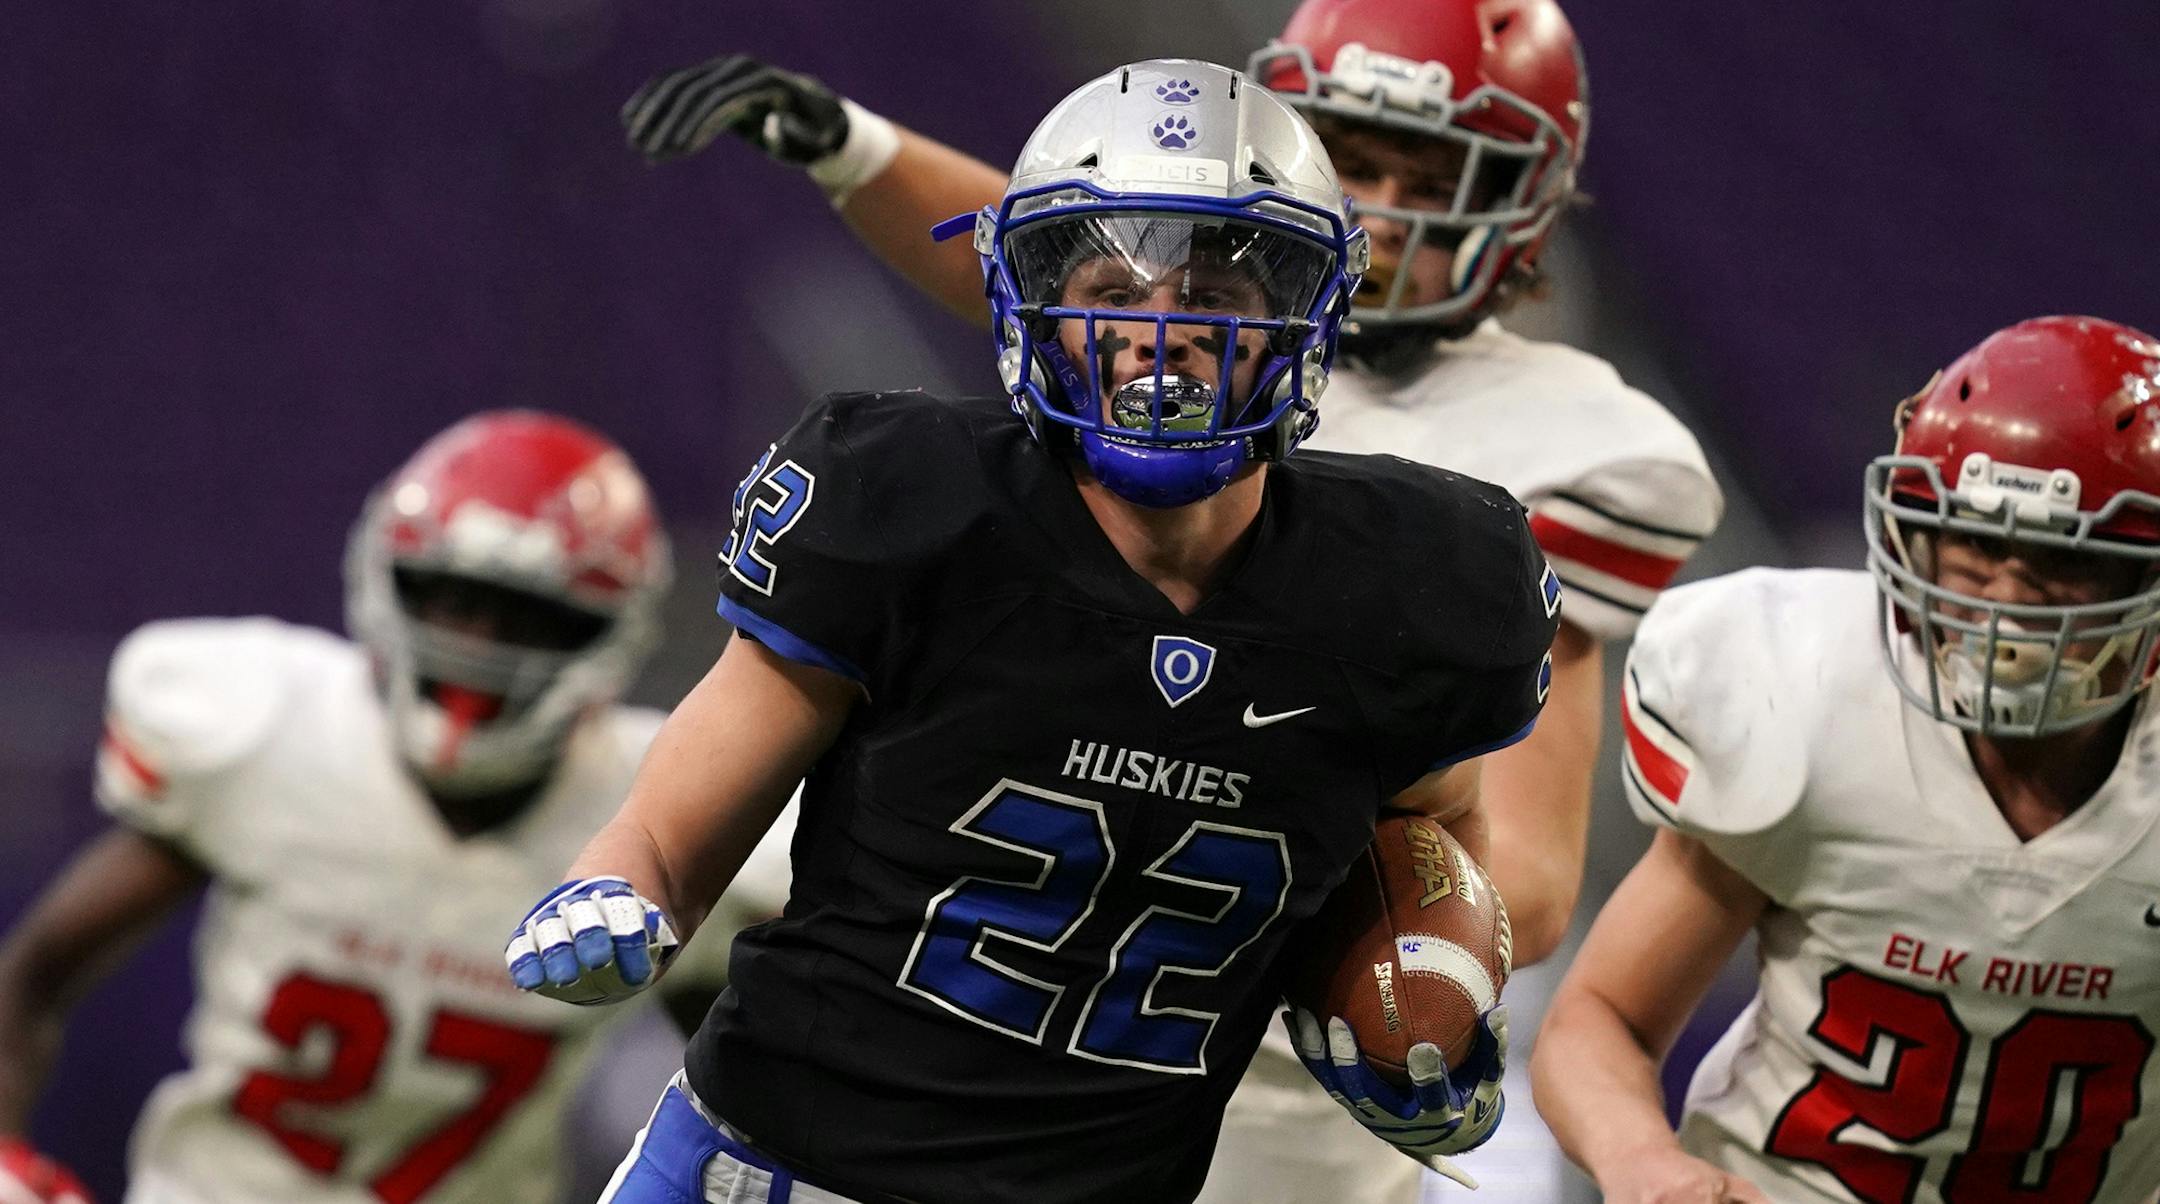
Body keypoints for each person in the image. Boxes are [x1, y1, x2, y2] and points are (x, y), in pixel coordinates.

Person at [616, 3, 1720, 1197]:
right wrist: (855, 145)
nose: (1394, 210)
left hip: (1244, 1042)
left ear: (1531, 196)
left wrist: (1391, 972)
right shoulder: (1187, 316)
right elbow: (1064, 253)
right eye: (1358, 162)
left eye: (1439, 171)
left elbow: (1521, 878)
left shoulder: (1561, 461)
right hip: (988, 930)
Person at [1530, 315, 2160, 1203]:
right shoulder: (1814, 698)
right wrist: (1649, 1166)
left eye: (2064, 559)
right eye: (1978, 543)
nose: (2009, 604)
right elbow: (1600, 1020)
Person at [0, 412, 701, 1203]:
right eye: (448, 599)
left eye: (528, 616)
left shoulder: (660, 804)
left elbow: (746, 1099)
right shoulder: (269, 737)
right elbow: (30, 978)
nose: (476, 641)